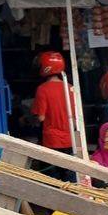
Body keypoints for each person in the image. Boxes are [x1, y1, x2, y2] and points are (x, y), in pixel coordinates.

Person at [31, 51, 77, 181]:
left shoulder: (42, 89)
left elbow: (41, 118)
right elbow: (74, 118)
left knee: (52, 180)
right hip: (70, 140)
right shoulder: (71, 88)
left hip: (51, 142)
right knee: (70, 179)